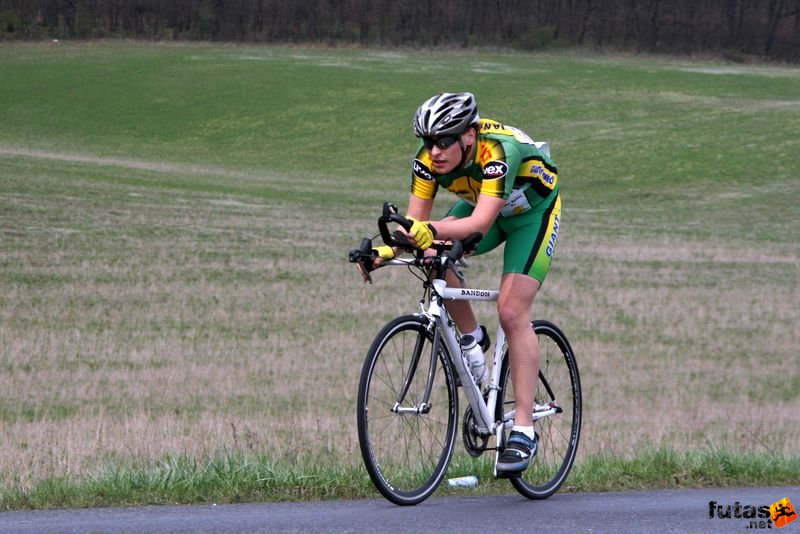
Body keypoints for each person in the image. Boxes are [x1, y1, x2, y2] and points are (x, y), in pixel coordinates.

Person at [373, 92, 561, 477]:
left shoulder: (498, 152)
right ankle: (473, 340)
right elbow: (416, 226)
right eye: (427, 142)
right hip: (484, 205)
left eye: (443, 141)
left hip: (531, 214)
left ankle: (523, 430)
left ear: (469, 137)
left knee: (511, 310)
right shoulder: (427, 163)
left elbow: (478, 225)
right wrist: (386, 251)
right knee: (431, 257)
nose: (434, 152)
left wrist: (427, 232)